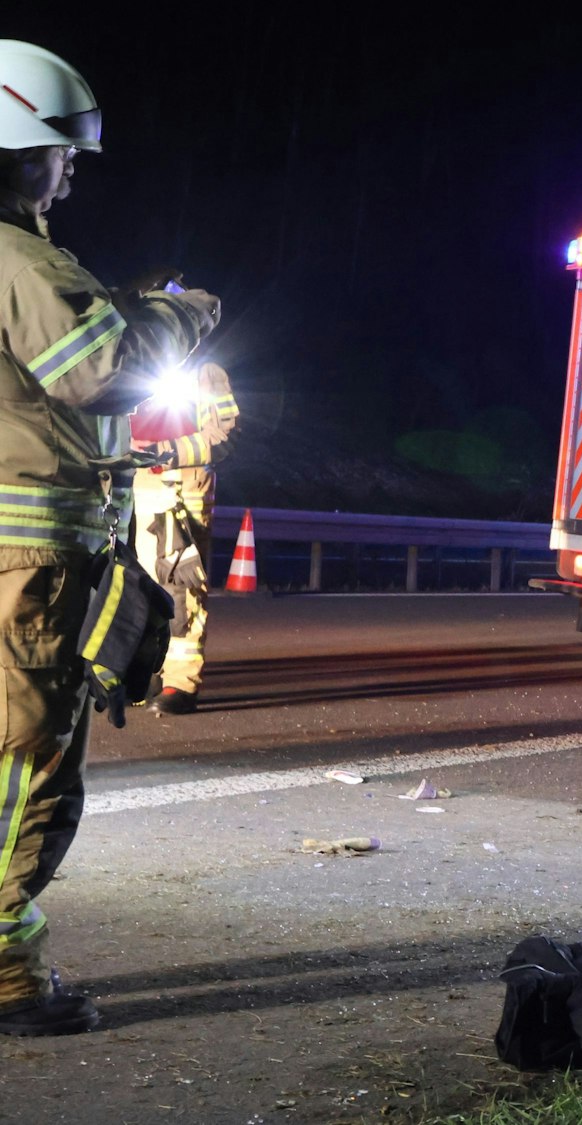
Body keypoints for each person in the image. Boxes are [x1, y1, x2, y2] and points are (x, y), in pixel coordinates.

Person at [0, 40, 219, 1036]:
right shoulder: (19, 258)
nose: (73, 166)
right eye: (60, 148)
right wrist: (176, 318)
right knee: (25, 763)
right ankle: (4, 975)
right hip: (27, 568)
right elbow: (100, 371)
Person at [131, 362, 240, 715]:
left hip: (184, 487)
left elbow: (225, 438)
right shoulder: (134, 358)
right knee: (144, 585)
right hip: (141, 485)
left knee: (183, 585)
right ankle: (153, 669)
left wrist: (168, 451)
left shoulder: (206, 374)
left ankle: (182, 680)